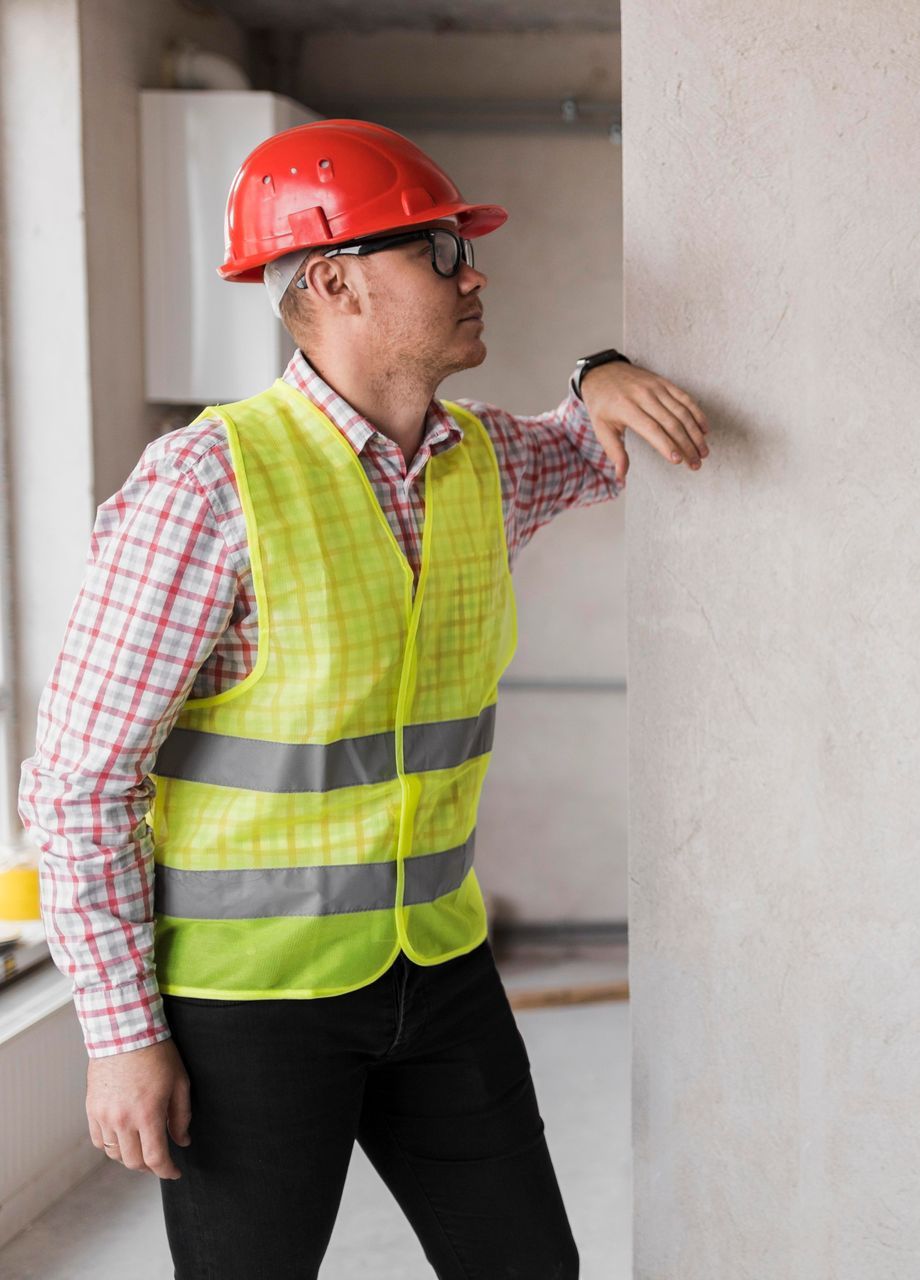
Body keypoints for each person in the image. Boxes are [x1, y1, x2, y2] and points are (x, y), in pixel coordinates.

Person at [18, 118, 709, 1277]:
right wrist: (121, 1034)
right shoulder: (209, 482)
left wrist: (600, 368)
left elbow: (593, 438)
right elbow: (80, 783)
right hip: (251, 1005)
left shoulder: (481, 463)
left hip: (437, 975)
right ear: (335, 278)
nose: (474, 270)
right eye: (441, 250)